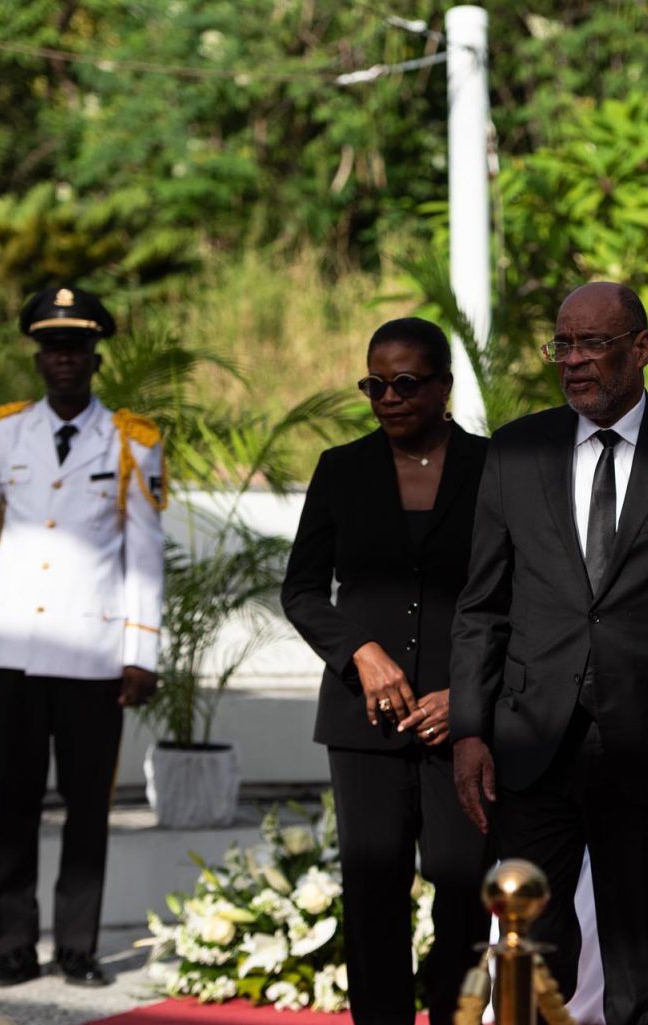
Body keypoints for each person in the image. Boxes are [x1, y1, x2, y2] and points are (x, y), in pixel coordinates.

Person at [449, 282, 648, 1025]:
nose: (574, 360)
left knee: (644, 967)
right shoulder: (516, 450)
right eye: (563, 344)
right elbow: (481, 606)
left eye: (593, 344)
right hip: (531, 747)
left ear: (640, 349)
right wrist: (470, 727)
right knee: (533, 958)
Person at [0, 286, 165, 988]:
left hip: (92, 650)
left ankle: (76, 945)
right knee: (12, 799)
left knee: (87, 805)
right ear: (38, 358)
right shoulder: (0, 432)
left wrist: (141, 651)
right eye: (51, 349)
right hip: (7, 645)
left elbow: (145, 551)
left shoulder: (132, 441)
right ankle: (11, 945)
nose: (63, 360)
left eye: (75, 349)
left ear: (96, 358)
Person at [281, 318, 491, 1025]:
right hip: (361, 723)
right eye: (376, 384)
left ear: (443, 386)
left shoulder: (494, 470)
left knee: (465, 896)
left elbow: (527, 595)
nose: (389, 397)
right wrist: (360, 653)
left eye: (406, 383)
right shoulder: (341, 469)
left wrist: (467, 695)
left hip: (460, 727)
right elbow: (301, 589)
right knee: (372, 897)